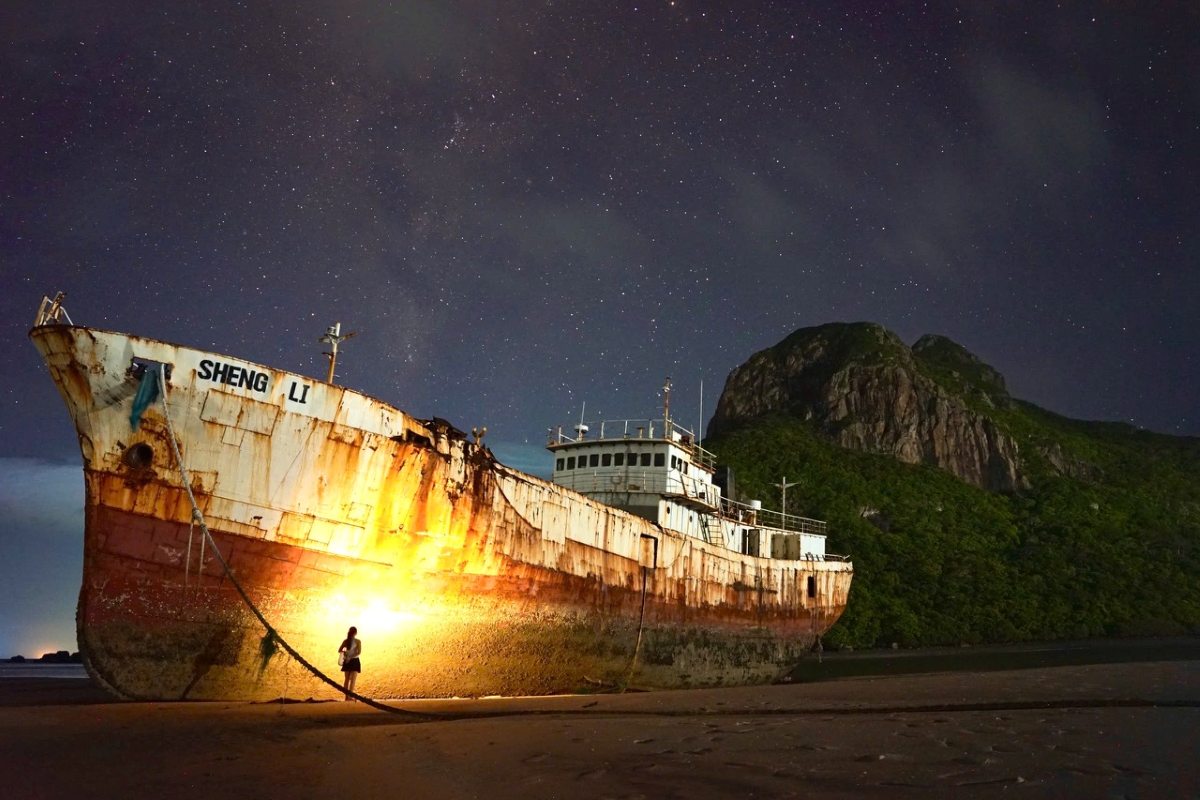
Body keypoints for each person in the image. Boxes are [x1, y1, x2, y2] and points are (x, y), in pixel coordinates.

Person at [338, 626, 361, 700]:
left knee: (347, 680)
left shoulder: (346, 641)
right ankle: (350, 697)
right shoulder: (358, 641)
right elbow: (359, 652)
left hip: (347, 661)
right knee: (353, 680)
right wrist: (351, 656)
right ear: (356, 633)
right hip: (354, 661)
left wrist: (346, 654)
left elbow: (340, 650)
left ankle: (346, 697)